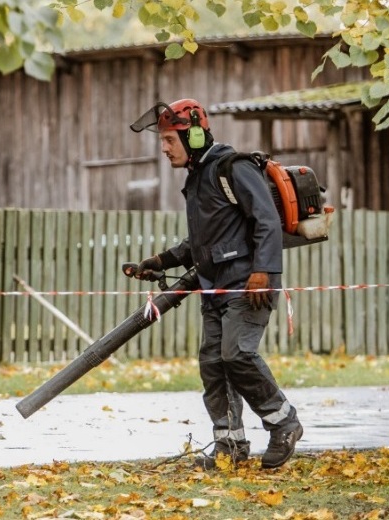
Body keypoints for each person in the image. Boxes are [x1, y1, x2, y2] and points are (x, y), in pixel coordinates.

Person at [127, 99, 303, 470]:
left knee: (237, 355)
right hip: (215, 288)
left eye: (169, 140)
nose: (163, 148)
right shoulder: (198, 177)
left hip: (248, 285)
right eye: (162, 140)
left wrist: (264, 271)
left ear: (192, 134)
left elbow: (267, 220)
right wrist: (161, 261)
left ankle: (283, 423)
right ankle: (230, 447)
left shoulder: (232, 167)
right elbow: (203, 241)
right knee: (212, 363)